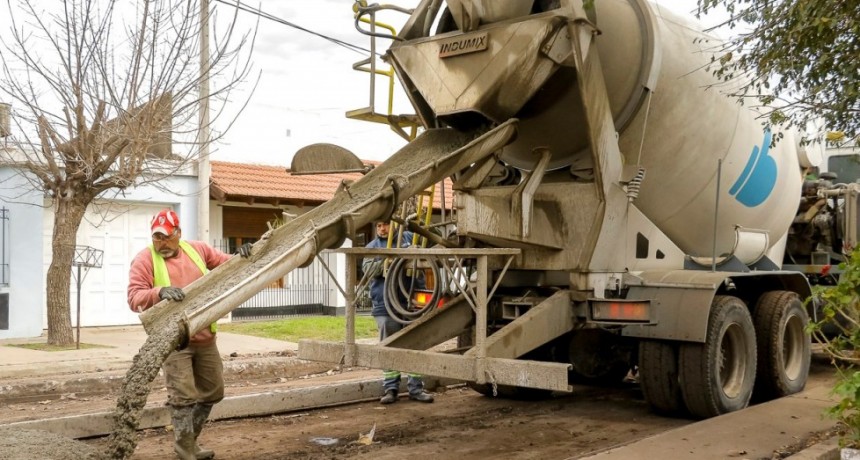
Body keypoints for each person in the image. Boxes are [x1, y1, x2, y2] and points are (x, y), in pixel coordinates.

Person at [127, 209, 252, 460]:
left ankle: (189, 442)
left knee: (213, 392)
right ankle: (185, 449)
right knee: (183, 397)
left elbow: (226, 263)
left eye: (166, 237)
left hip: (205, 337)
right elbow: (134, 298)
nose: (161, 243)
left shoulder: (198, 250)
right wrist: (158, 292)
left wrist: (243, 253)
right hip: (174, 342)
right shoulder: (145, 259)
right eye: (157, 238)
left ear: (178, 233)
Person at [363, 220, 434, 405]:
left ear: (394, 224)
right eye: (378, 226)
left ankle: (416, 388)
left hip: (411, 302)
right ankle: (390, 388)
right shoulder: (372, 248)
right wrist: (392, 259)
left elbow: (431, 243)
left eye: (385, 225)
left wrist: (414, 246)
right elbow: (367, 270)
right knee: (389, 345)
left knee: (415, 343)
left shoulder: (410, 238)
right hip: (385, 305)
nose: (382, 229)